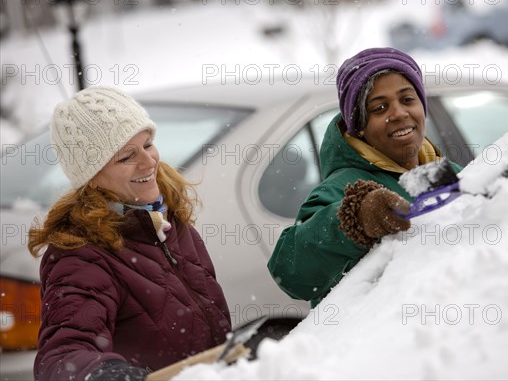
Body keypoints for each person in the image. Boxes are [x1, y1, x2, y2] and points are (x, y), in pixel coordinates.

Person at [28, 87, 231, 381]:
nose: (149, 162)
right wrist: (107, 374)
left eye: (148, 145)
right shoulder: (80, 257)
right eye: (127, 156)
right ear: (93, 177)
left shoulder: (169, 221)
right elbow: (62, 356)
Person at [268, 47, 462, 308]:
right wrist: (355, 220)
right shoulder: (341, 189)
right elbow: (291, 273)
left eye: (407, 100)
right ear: (358, 126)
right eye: (379, 107)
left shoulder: (450, 173)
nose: (399, 113)